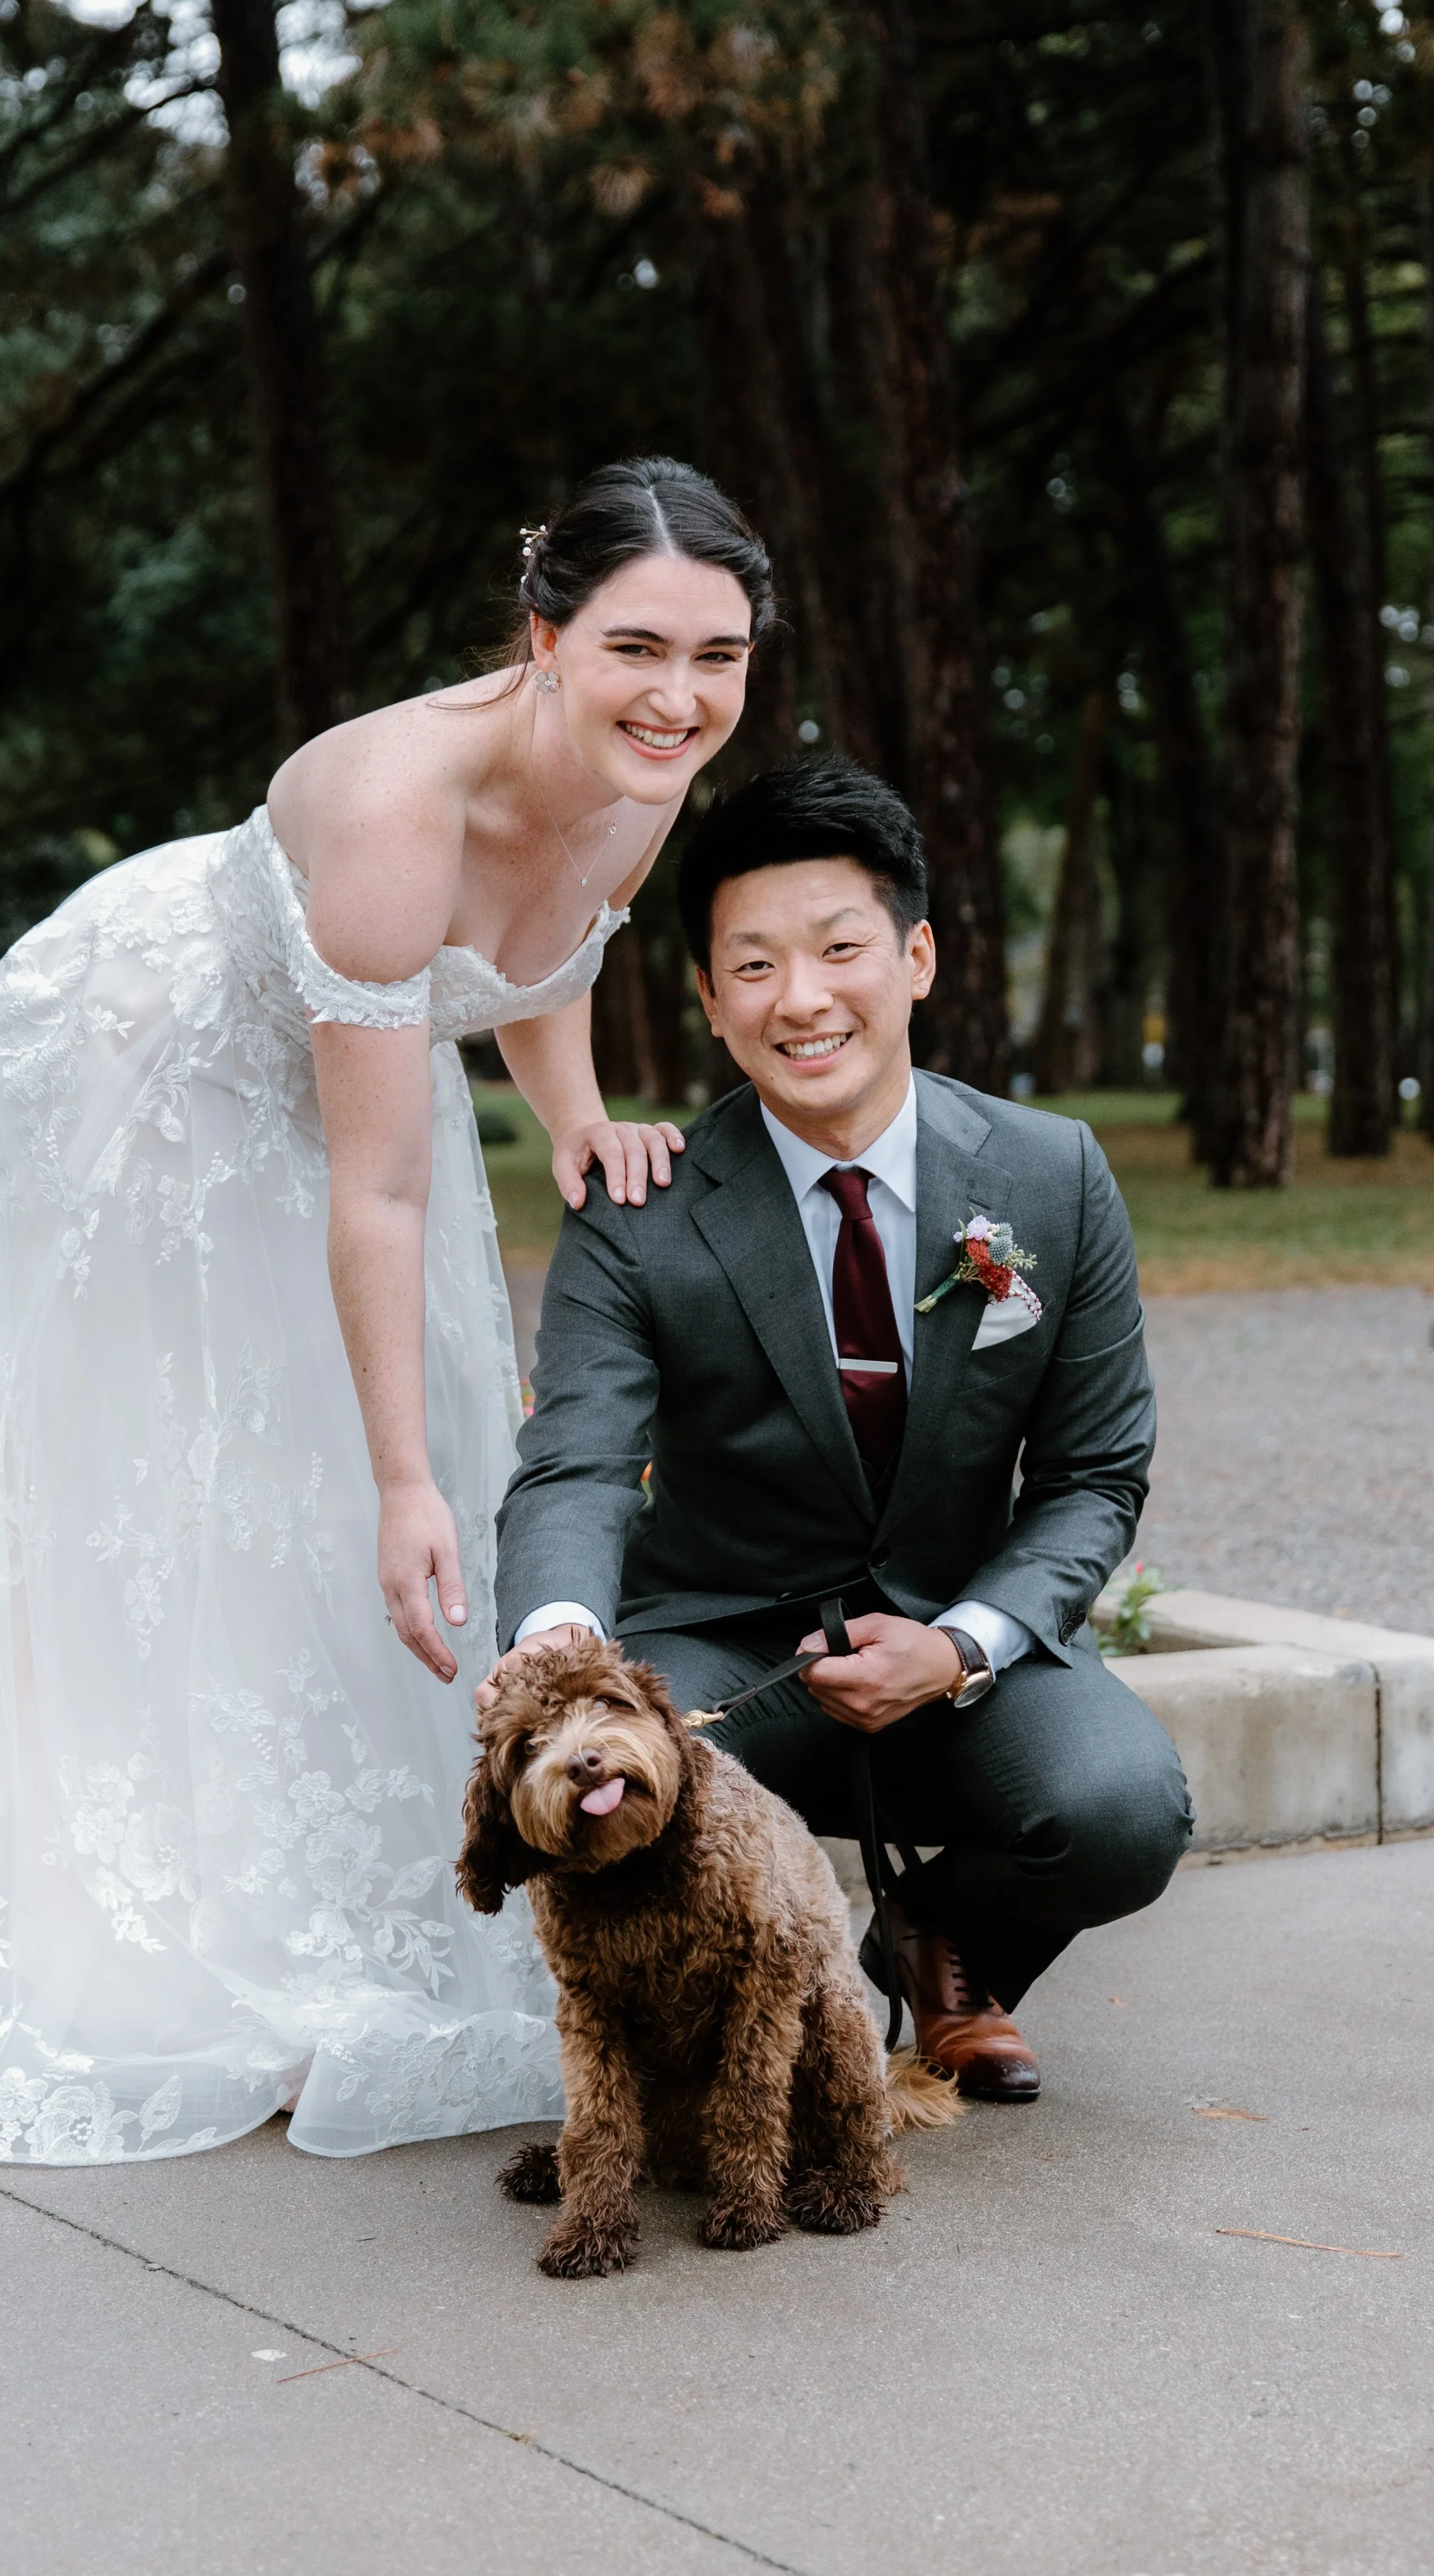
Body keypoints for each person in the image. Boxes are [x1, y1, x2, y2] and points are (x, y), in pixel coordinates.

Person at [0, 457, 770, 2163]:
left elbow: (549, 960)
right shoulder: (386, 808)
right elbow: (383, 1191)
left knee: (314, 1474)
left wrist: (578, 1121)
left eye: (718, 657)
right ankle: (118, 1899)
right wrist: (412, 1481)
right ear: (544, 636)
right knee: (157, 1481)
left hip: (358, 1083)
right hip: (156, 1074)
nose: (681, 696)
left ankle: (321, 1883)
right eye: (639, 647)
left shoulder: (649, 774)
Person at [488, 755, 1193, 2099]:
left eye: (839, 949)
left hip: (956, 1625)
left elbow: (1096, 1472)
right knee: (637, 1800)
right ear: (708, 999)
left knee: (1122, 1809)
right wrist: (562, 1646)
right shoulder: (641, 1206)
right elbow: (576, 1455)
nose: (801, 999)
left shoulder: (1053, 1174)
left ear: (917, 957)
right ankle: (715, 2035)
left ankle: (944, 1939)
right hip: (728, 1638)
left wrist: (962, 1643)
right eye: (752, 966)